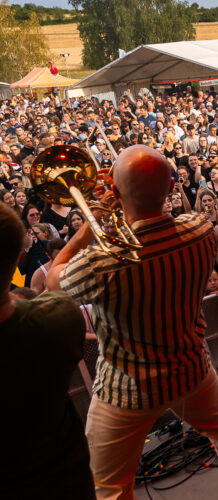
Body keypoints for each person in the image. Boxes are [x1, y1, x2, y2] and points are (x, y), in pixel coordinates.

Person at [47, 145, 218, 500]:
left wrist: (88, 226)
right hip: (191, 369)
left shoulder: (103, 262)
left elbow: (53, 280)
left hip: (126, 388)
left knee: (108, 486)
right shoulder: (200, 230)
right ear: (170, 188)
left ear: (116, 192)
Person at [0, 202, 95, 500]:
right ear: (19, 259)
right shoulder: (57, 317)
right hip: (68, 482)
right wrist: (85, 233)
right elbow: (57, 281)